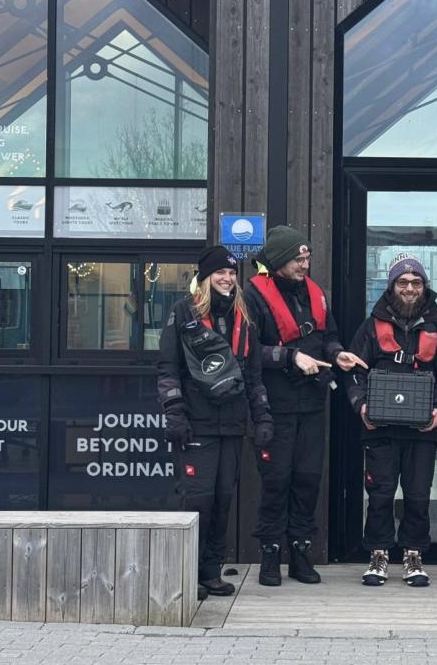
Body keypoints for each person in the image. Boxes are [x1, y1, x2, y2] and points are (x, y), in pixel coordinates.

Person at [245, 225, 365, 586]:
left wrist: (336, 354)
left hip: (312, 404)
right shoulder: (252, 297)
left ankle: (300, 553)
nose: (304, 264)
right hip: (274, 406)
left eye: (307, 257)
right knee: (276, 480)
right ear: (279, 261)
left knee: (307, 481)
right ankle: (270, 555)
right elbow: (248, 350)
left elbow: (327, 336)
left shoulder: (316, 294)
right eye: (298, 259)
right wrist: (290, 357)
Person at [157, 246, 273, 599]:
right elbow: (167, 369)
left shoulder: (245, 317)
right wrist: (174, 413)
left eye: (231, 273)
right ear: (204, 277)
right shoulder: (182, 313)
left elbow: (254, 376)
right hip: (196, 426)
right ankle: (185, 574)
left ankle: (210, 572)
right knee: (197, 501)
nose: (227, 279)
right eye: (219, 273)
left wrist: (262, 417)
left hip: (232, 426)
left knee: (223, 500)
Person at [345, 253, 437, 587]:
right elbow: (353, 373)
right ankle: (378, 554)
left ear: (424, 287)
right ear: (392, 286)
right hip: (379, 427)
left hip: (422, 429)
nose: (410, 288)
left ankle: (413, 555)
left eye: (416, 282)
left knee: (418, 495)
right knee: (379, 494)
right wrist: (360, 406)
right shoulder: (370, 327)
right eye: (403, 282)